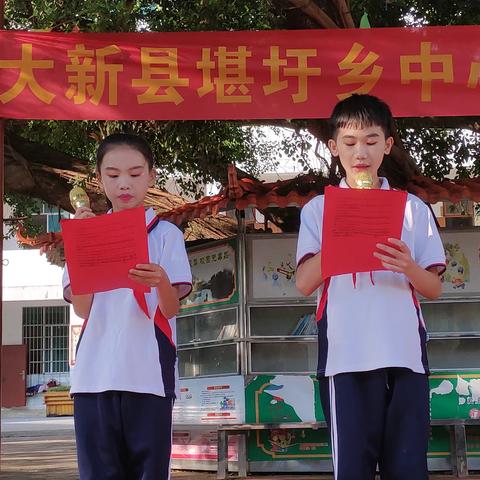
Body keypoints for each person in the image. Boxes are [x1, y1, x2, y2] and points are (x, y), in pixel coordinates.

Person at [296, 94, 446, 480]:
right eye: (349, 143)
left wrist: (408, 266)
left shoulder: (412, 208)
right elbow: (303, 283)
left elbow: (434, 288)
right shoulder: (318, 210)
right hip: (346, 359)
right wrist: (340, 242)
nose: (360, 152)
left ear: (388, 145)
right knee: (352, 470)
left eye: (371, 140)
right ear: (333, 148)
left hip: (405, 356)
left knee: (408, 468)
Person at [62, 133, 192, 480]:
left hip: (148, 374)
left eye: (135, 174)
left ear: (151, 176)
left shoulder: (166, 235)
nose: (124, 184)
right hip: (94, 376)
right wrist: (84, 248)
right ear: (99, 178)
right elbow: (82, 309)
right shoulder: (84, 232)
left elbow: (171, 309)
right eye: (113, 174)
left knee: (148, 471)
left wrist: (161, 280)